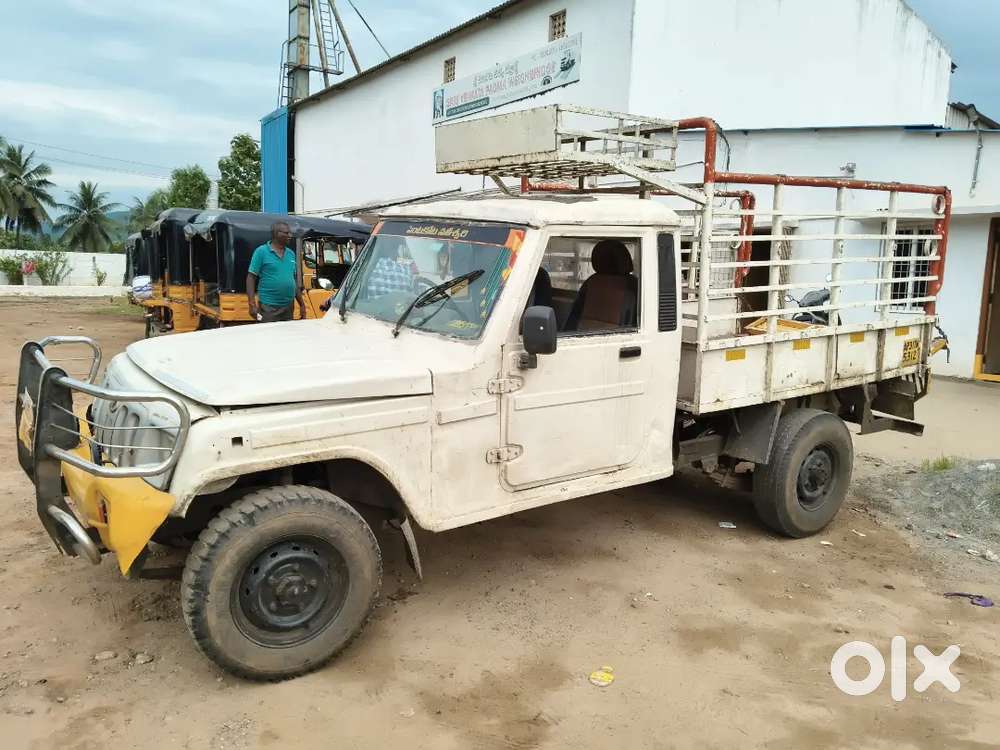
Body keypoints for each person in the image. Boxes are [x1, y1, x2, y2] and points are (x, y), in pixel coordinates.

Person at [247, 221, 306, 323]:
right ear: (276, 234)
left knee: (286, 337)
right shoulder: (261, 252)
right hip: (268, 307)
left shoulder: (291, 254)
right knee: (269, 337)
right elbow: (251, 278)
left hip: (288, 307)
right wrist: (252, 304)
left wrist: (302, 304)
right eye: (286, 233)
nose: (290, 235)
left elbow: (293, 280)